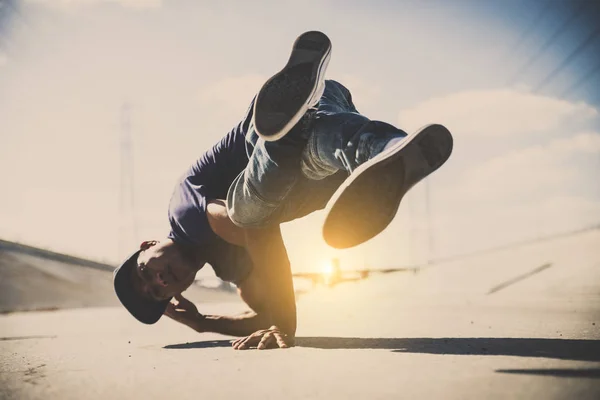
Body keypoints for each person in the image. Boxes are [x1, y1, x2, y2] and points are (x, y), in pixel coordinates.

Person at [113, 31, 453, 350]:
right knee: (318, 149)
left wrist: (284, 325)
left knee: (249, 208)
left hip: (261, 130)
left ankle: (285, 126)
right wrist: (204, 322)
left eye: (146, 271)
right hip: (324, 130)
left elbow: (254, 229)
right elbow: (264, 316)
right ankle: (390, 151)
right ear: (177, 294)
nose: (160, 281)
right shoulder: (230, 268)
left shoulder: (186, 217)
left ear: (149, 245)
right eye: (158, 293)